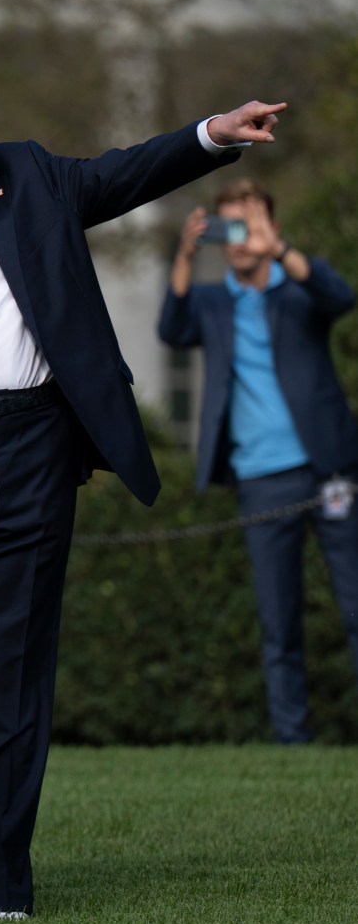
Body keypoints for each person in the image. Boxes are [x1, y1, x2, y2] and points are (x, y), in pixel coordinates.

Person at [0, 48, 286, 924]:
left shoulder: (27, 176)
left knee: (11, 673)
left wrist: (213, 136)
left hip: (30, 447)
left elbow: (124, 174)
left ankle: (2, 893)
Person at [158, 178, 358, 744]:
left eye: (251, 225)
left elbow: (340, 297)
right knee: (278, 620)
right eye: (231, 227)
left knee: (356, 605)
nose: (242, 240)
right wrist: (184, 256)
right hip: (260, 479)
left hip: (331, 471)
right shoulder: (212, 301)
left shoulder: (299, 286)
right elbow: (171, 329)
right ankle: (294, 742)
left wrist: (280, 251)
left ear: (270, 225)